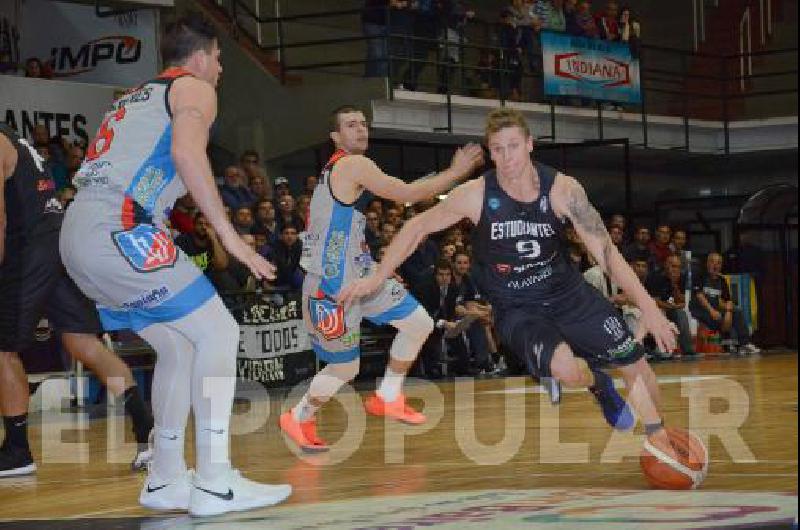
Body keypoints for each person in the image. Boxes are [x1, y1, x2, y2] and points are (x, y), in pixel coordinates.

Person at [339, 108, 682, 459]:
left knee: (634, 362)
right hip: (517, 308)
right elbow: (416, 227)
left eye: (513, 146)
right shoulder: (476, 194)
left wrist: (649, 308)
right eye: (498, 149)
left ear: (530, 145)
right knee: (567, 371)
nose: (506, 157)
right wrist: (378, 276)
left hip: (568, 293)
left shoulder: (563, 189)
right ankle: (600, 385)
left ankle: (660, 440)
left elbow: (607, 253)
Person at [58, 13, 291, 516]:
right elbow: (188, 154)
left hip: (82, 232)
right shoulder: (193, 89)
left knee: (181, 346)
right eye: (221, 58)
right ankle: (214, 479)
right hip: (119, 228)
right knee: (220, 334)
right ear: (202, 56)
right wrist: (235, 240)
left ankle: (164, 477)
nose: (223, 69)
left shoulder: (134, 97)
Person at [279, 105, 482, 452]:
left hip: (360, 276)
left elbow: (401, 193)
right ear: (336, 137)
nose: (360, 129)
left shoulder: (346, 172)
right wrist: (454, 172)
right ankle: (298, 417)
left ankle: (388, 395)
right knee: (345, 368)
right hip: (332, 287)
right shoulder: (352, 164)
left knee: (419, 323)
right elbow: (405, 194)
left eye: (363, 123)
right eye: (350, 125)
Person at [0, 123, 154, 476]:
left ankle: (16, 450)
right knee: (84, 343)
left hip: (29, 249)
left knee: (3, 350)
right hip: (60, 242)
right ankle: (146, 429)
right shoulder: (14, 137)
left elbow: (0, 219)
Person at [689, 253, 760, 355]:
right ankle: (727, 344)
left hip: (715, 312)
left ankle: (744, 344)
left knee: (737, 311)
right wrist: (712, 310)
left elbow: (728, 301)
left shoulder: (722, 280)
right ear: (708, 263)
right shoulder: (700, 276)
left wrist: (728, 312)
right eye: (713, 261)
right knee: (719, 318)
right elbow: (699, 295)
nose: (715, 265)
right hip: (700, 312)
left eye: (719, 263)